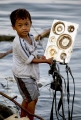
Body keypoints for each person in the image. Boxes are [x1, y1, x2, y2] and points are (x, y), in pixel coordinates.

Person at [10, 8, 53, 120]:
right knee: (32, 99)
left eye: (26, 24)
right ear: (13, 27)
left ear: (31, 24)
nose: (24, 27)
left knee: (29, 98)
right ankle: (30, 118)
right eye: (20, 25)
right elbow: (29, 60)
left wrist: (42, 57)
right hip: (22, 75)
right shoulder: (19, 43)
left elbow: (34, 54)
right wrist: (46, 61)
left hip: (29, 73)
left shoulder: (31, 37)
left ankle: (23, 117)